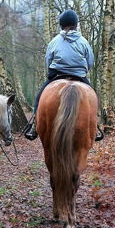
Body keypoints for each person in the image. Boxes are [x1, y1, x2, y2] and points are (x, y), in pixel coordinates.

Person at [25, 9, 97, 141]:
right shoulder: (83, 42)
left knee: (39, 97)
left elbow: (48, 60)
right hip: (79, 76)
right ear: (76, 25)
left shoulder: (54, 41)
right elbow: (90, 61)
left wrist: (51, 73)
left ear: (61, 25)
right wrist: (83, 71)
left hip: (57, 75)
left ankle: (34, 126)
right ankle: (96, 127)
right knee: (93, 97)